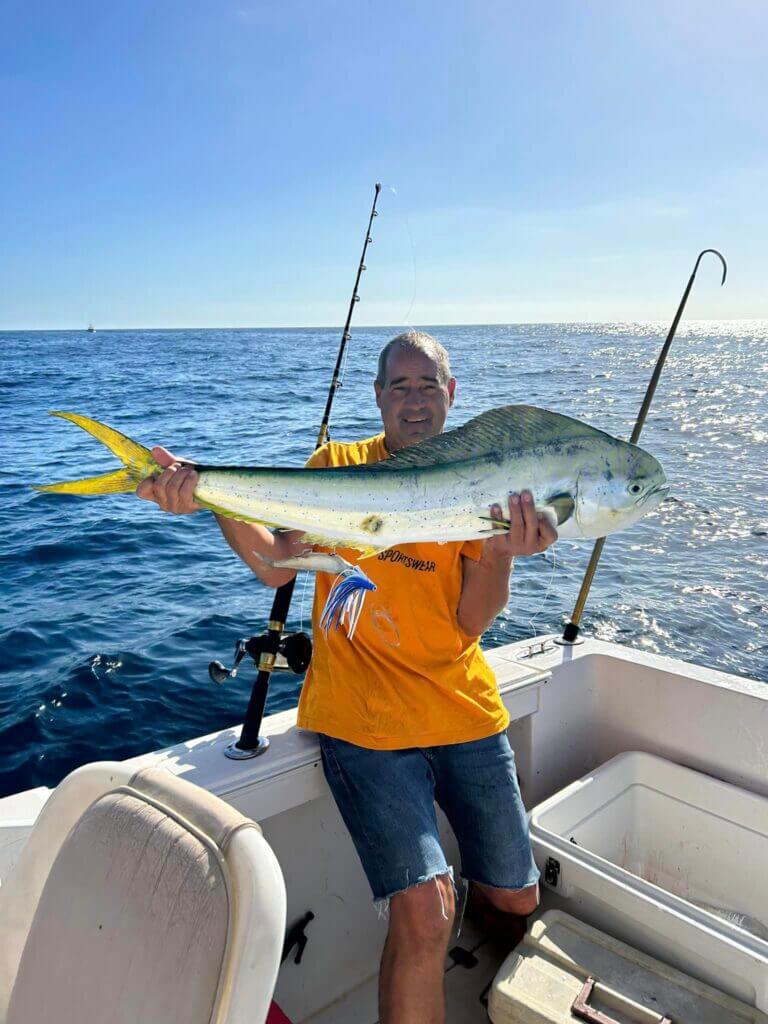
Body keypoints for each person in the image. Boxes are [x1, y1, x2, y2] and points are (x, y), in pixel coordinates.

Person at [137, 331, 558, 1024]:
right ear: (378, 397)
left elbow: (472, 623)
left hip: (461, 705)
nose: (414, 401)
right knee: (426, 912)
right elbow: (277, 565)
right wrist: (210, 497)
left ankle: (499, 970)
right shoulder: (338, 465)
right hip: (361, 717)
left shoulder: (487, 477)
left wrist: (503, 553)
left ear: (452, 395)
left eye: (428, 386)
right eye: (399, 386)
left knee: (517, 897)